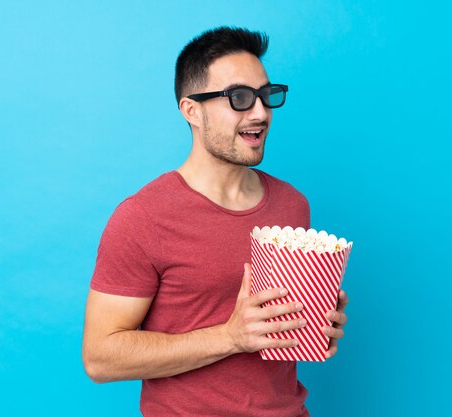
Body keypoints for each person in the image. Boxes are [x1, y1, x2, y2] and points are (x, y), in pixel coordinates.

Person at [82, 26, 349, 416]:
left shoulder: (292, 206)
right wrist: (230, 337)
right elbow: (100, 358)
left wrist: (314, 322)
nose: (260, 112)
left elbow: (278, 332)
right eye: (239, 98)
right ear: (192, 110)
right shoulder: (143, 217)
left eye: (266, 96)